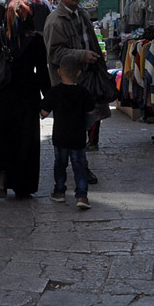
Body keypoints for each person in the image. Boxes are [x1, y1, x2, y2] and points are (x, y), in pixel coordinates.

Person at [0, 0, 49, 199]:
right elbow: (42, 73)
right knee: (25, 141)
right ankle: (22, 185)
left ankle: (1, 177)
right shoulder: (35, 40)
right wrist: (48, 100)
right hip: (26, 97)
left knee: (2, 139)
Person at [43, 0, 102, 184]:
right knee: (69, 131)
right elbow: (55, 54)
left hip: (85, 81)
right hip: (67, 85)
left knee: (84, 127)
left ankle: (80, 166)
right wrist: (81, 55)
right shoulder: (55, 21)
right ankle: (70, 171)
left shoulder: (82, 15)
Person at [41, 54, 97, 209]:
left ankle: (59, 192)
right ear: (79, 73)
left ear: (59, 72)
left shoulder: (54, 92)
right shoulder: (84, 93)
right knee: (79, 166)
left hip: (60, 137)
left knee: (60, 164)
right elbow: (91, 113)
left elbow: (44, 113)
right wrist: (86, 126)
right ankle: (81, 196)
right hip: (78, 138)